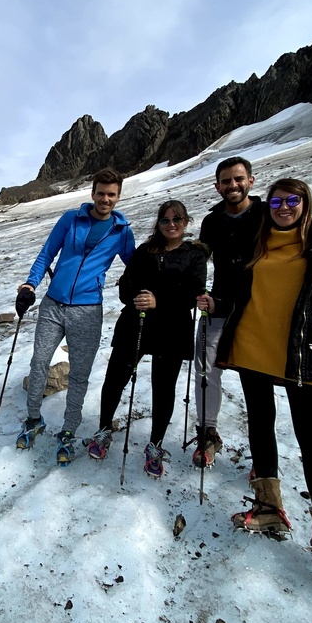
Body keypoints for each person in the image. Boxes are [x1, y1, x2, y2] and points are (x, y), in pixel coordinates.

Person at [206, 177, 312, 595]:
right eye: (277, 200)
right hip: (254, 347)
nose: (284, 207)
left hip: (305, 355)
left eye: (293, 200)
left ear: (305, 204)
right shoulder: (258, 244)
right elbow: (242, 292)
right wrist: (215, 304)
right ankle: (269, 506)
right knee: (260, 423)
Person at [15, 168, 136, 465]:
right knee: (39, 361)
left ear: (118, 196)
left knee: (79, 374)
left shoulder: (122, 232)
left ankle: (68, 431)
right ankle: (33, 420)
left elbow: (135, 266)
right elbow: (47, 254)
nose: (105, 199)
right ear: (92, 193)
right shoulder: (71, 219)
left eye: (111, 194)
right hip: (53, 304)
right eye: (101, 193)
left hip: (87, 311)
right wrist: (31, 282)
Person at [84, 200, 208, 478]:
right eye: (165, 220)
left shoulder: (194, 255)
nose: (171, 224)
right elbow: (127, 284)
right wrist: (136, 297)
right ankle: (104, 429)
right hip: (135, 324)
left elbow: (194, 292)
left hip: (173, 328)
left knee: (163, 387)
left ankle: (155, 444)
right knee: (116, 377)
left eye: (177, 219)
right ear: (159, 224)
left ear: (185, 221)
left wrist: (158, 300)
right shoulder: (146, 251)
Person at [191, 156, 263, 467]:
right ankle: (208, 434)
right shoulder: (212, 221)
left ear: (251, 181)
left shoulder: (266, 215)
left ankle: (264, 456)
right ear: (217, 185)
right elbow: (199, 260)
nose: (232, 185)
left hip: (259, 307)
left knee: (258, 379)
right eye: (226, 181)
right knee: (206, 371)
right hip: (218, 305)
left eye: (238, 179)